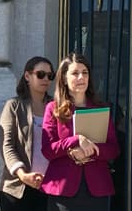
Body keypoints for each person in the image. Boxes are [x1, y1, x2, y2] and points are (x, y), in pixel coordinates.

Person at [40, 53, 120, 211]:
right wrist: (76, 140)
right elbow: (48, 149)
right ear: (64, 78)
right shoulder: (53, 108)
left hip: (97, 188)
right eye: (75, 73)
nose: (81, 77)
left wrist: (90, 152)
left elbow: (113, 150)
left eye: (85, 73)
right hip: (63, 188)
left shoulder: (100, 108)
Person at [0, 56, 55, 211]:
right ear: (27, 76)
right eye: (40, 74)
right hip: (17, 188)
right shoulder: (14, 106)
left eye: (50, 76)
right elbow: (7, 145)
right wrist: (22, 174)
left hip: (50, 186)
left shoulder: (56, 106)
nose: (46, 79)